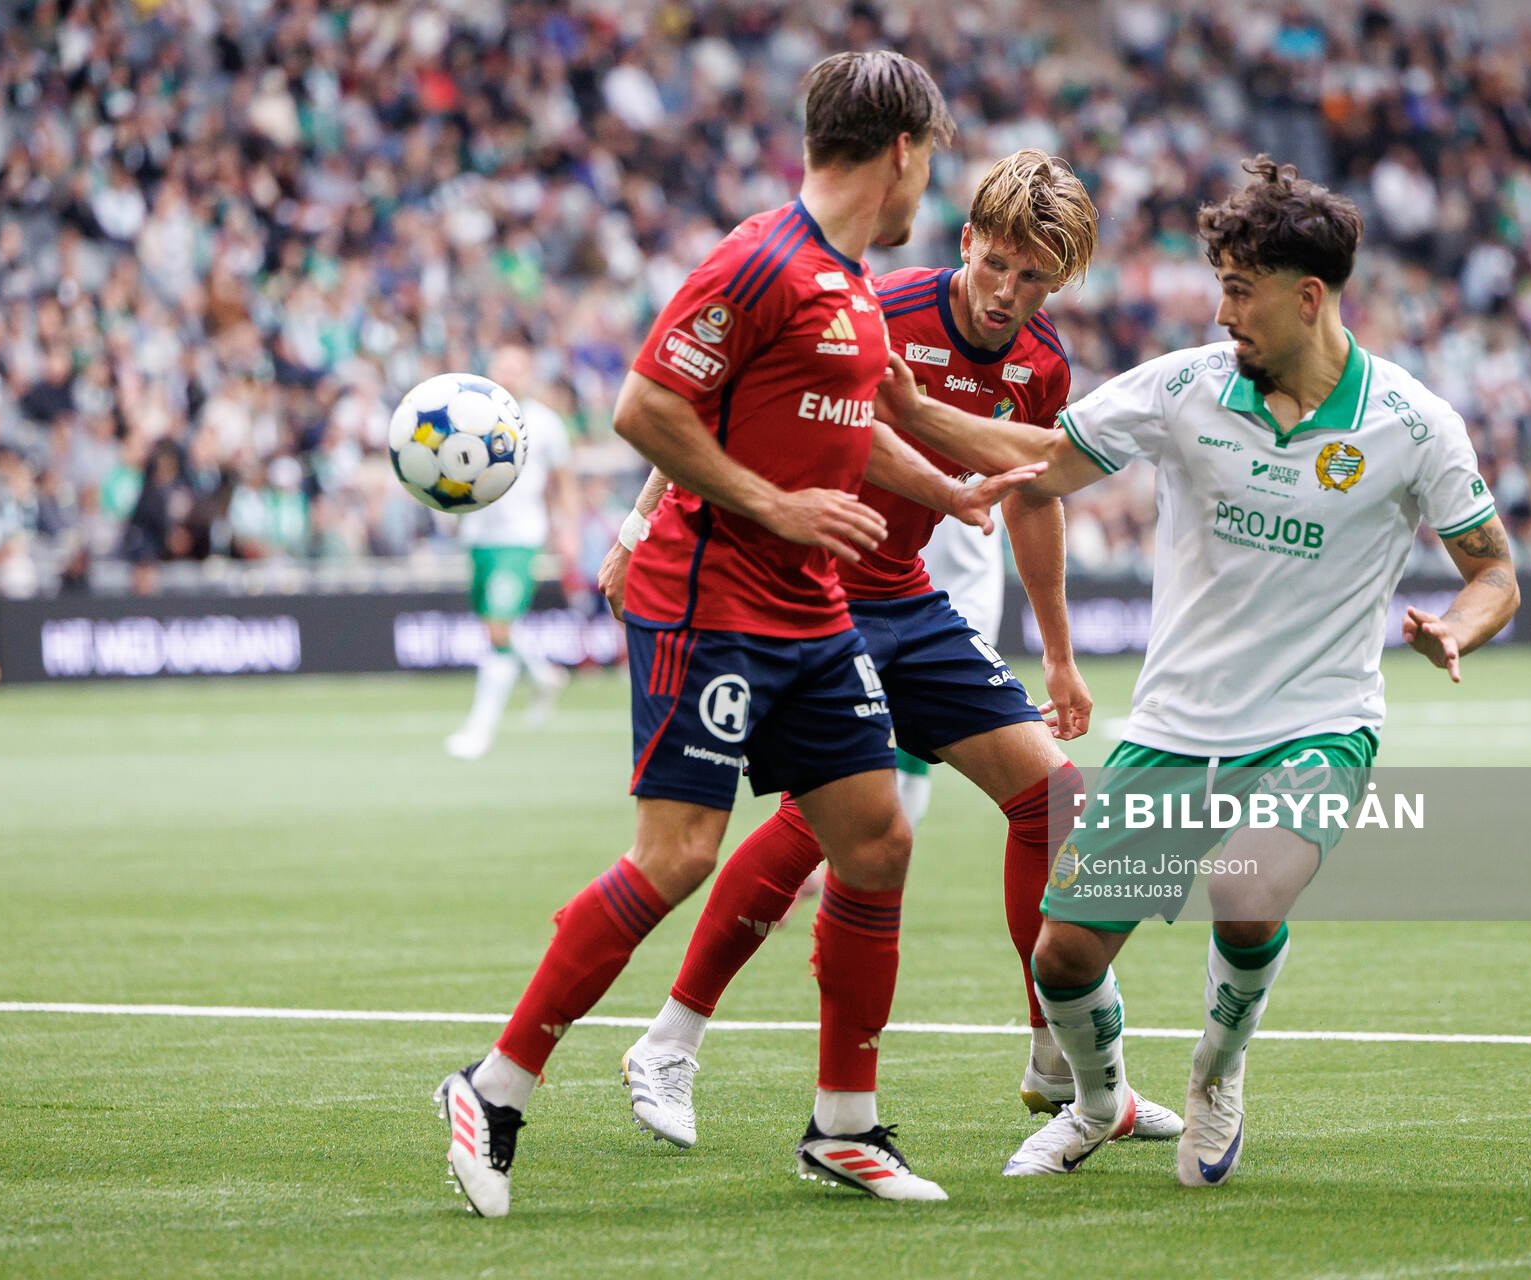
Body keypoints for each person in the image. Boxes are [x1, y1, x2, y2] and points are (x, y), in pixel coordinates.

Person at [435, 50, 1040, 1215]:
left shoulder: (850, 277)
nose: (931, 188)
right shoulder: (760, 262)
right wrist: (776, 504)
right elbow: (643, 407)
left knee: (875, 839)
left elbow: (853, 425)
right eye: (933, 159)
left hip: (809, 605)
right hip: (708, 598)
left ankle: (844, 1126)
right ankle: (493, 1086)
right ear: (903, 149)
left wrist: (950, 489)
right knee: (677, 857)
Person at [879, 156, 1521, 1184]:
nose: (1221, 311)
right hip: (1176, 725)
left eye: (1238, 290)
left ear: (1307, 298)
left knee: (1245, 885)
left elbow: (1496, 572)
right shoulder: (1183, 387)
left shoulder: (1412, 423)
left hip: (1318, 722)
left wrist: (1458, 623)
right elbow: (1044, 462)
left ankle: (1218, 1067)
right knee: (1064, 958)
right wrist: (918, 413)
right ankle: (1096, 1103)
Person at [604, 150, 1181, 1151]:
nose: (1007, 290)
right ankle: (670, 1039)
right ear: (967, 242)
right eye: (997, 261)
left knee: (1053, 799)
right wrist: (636, 525)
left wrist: (1059, 654)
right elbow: (723, 395)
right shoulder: (881, 302)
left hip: (908, 599)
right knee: (820, 828)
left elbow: (1036, 495)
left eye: (1033, 275)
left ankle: (1054, 1058)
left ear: (1060, 280)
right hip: (805, 591)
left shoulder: (1042, 364)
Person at [444, 347, 580, 760]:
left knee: (499, 630)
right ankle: (543, 673)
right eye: (502, 366)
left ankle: (479, 731)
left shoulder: (544, 423)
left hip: (521, 537)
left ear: (529, 374)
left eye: (516, 368)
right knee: (493, 626)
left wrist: (568, 530)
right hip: (478, 535)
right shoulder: (465, 417)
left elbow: (564, 482)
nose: (509, 374)